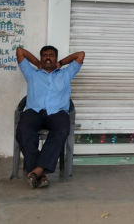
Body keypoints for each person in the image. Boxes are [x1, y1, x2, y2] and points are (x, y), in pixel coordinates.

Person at [15, 45, 85, 188]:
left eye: (51, 55)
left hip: (57, 113)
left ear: (56, 58)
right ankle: (40, 173)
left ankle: (37, 170)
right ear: (41, 58)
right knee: (23, 131)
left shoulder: (66, 74)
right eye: (45, 55)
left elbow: (80, 55)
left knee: (61, 131)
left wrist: (62, 63)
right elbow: (20, 51)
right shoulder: (32, 73)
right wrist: (37, 63)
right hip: (34, 112)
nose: (48, 57)